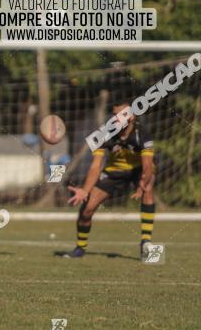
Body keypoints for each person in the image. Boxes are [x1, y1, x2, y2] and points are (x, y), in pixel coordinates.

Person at [66, 101, 156, 260]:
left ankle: (146, 242)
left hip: (137, 170)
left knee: (148, 186)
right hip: (114, 172)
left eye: (121, 114)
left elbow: (147, 166)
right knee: (87, 208)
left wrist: (142, 184)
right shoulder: (104, 133)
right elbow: (95, 167)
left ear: (132, 117)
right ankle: (80, 248)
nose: (116, 118)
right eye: (115, 115)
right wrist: (85, 191)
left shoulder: (142, 133)